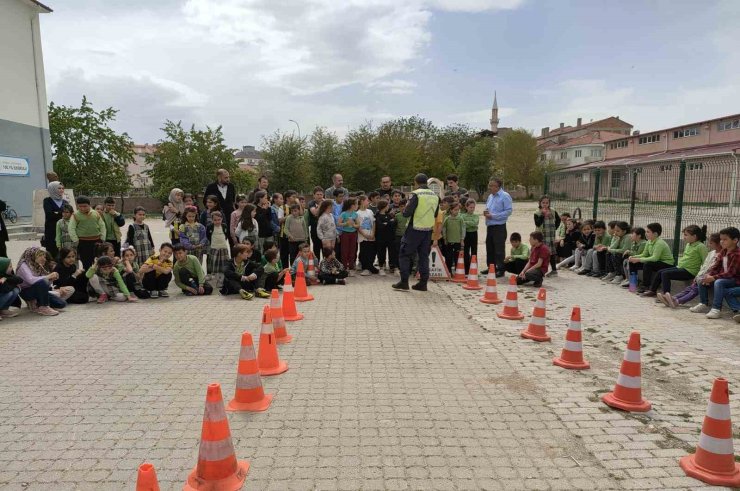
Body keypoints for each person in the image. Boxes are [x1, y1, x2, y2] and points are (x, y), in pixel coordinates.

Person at [393, 173, 440, 292]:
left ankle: (404, 282)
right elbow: (435, 214)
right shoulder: (435, 196)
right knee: (424, 257)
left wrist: (403, 212)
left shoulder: (416, 194)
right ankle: (423, 283)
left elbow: (407, 212)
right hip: (428, 230)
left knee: (405, 254)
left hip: (414, 229)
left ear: (416, 182)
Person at [643, 225, 707, 297]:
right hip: (681, 267)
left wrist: (701, 275)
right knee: (660, 272)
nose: (684, 237)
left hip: (690, 271)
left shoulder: (701, 246)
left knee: (665, 274)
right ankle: (652, 291)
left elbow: (705, 262)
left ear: (694, 236)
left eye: (686, 235)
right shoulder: (689, 245)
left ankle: (666, 295)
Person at [690, 227, 740, 319]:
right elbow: (716, 267)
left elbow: (730, 273)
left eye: (725, 239)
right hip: (724, 278)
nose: (722, 242)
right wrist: (709, 275)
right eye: (721, 239)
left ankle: (716, 309)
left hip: (735, 280)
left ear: (735, 240)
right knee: (702, 278)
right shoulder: (723, 251)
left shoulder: (737, 254)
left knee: (719, 282)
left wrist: (713, 278)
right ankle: (703, 303)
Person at [660, 233, 720, 308]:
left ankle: (678, 301)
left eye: (711, 243)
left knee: (695, 289)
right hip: (703, 276)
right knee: (689, 288)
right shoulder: (711, 253)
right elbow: (705, 266)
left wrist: (706, 277)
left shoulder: (721, 254)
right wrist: (698, 276)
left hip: (711, 277)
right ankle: (673, 298)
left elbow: (715, 269)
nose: (708, 245)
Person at [16, 246, 66, 315]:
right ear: (32, 256)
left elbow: (46, 285)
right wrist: (48, 276)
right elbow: (31, 280)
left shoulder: (37, 265)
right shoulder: (23, 265)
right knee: (43, 281)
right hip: (26, 291)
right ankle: (44, 307)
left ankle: (35, 303)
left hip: (38, 290)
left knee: (62, 304)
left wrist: (51, 279)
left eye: (44, 256)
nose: (43, 259)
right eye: (40, 256)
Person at [628, 223, 674, 293]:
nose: (645, 234)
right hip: (656, 262)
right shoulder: (649, 241)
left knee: (648, 264)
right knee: (632, 262)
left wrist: (638, 259)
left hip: (666, 263)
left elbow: (655, 258)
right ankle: (633, 284)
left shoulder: (660, 243)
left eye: (648, 232)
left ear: (655, 234)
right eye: (646, 231)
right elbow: (644, 254)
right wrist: (633, 257)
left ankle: (646, 286)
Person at [483, 178, 512, 277]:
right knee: (489, 247)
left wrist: (493, 216)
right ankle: (491, 267)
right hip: (490, 226)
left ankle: (501, 269)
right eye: (489, 185)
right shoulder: (490, 196)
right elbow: (489, 208)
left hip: (499, 226)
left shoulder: (505, 196)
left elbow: (508, 211)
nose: (490, 187)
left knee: (499, 249)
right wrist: (486, 212)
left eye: (492, 185)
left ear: (498, 186)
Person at [68, 196, 106, 269]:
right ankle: (87, 278)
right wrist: (75, 240)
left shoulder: (96, 213)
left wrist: (102, 238)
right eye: (80, 206)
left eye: (85, 206)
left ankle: (98, 278)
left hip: (97, 241)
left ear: (89, 205)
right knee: (86, 262)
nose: (82, 208)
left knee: (98, 261)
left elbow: (102, 226)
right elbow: (71, 228)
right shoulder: (75, 215)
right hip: (83, 242)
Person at [533, 195, 561, 277]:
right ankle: (539, 269)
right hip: (541, 235)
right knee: (540, 252)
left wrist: (555, 227)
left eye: (547, 203)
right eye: (543, 203)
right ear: (540, 203)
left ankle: (554, 270)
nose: (545, 204)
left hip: (550, 235)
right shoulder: (537, 212)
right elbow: (537, 223)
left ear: (549, 203)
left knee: (551, 252)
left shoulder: (552, 211)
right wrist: (542, 215)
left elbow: (558, 220)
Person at [42, 181, 70, 259]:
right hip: (51, 230)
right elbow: (49, 214)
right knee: (52, 253)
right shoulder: (47, 200)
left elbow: (69, 214)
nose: (61, 190)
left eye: (62, 188)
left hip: (63, 230)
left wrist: (57, 213)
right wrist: (62, 213)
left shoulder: (65, 202)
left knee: (64, 252)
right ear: (53, 189)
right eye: (59, 188)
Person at [206, 211, 230, 290]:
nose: (217, 222)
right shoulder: (210, 227)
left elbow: (226, 236)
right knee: (215, 266)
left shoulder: (224, 226)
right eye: (215, 220)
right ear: (212, 220)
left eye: (219, 220)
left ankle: (221, 280)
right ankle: (216, 279)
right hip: (214, 248)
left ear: (222, 219)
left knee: (223, 265)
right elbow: (208, 236)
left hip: (223, 248)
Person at [356, 195, 378, 275]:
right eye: (367, 201)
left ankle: (370, 266)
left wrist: (373, 233)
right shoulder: (357, 213)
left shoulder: (370, 211)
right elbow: (358, 227)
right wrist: (365, 235)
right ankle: (365, 268)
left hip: (371, 235)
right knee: (364, 252)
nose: (368, 202)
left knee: (371, 252)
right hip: (363, 237)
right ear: (362, 201)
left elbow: (373, 223)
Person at [442, 201, 465, 273]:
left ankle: (457, 271)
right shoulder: (447, 219)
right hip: (449, 241)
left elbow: (463, 229)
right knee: (448, 257)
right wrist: (445, 238)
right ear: (451, 210)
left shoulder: (460, 219)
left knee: (457, 257)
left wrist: (462, 239)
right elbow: (444, 229)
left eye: (458, 210)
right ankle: (448, 271)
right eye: (455, 210)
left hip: (457, 241)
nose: (457, 211)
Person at [338, 198, 359, 274]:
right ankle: (344, 267)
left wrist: (354, 225)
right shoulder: (344, 213)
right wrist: (346, 224)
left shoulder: (355, 214)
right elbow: (338, 223)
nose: (357, 205)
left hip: (353, 234)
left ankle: (351, 267)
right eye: (356, 204)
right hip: (345, 234)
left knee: (352, 250)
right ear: (352, 205)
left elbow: (358, 225)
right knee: (344, 250)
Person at [375, 200, 396, 276]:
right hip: (380, 238)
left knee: (392, 252)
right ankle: (381, 267)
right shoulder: (377, 216)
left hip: (390, 237)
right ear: (384, 206)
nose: (388, 207)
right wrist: (388, 223)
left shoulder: (389, 215)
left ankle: (392, 267)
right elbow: (380, 226)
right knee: (381, 253)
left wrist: (387, 223)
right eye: (387, 205)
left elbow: (393, 223)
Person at [460, 198, 479, 274]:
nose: (472, 209)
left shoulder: (476, 216)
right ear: (466, 207)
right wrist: (470, 223)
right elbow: (462, 224)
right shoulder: (462, 215)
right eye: (470, 207)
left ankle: (474, 268)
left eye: (473, 207)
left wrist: (466, 223)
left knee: (474, 251)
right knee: (466, 251)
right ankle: (466, 269)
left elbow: (475, 223)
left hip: (474, 234)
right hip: (466, 234)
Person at [306, 187, 325, 260]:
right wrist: (321, 204)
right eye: (318, 194)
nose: (320, 196)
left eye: (321, 194)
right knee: (316, 248)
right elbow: (315, 213)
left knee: (325, 249)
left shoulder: (325, 202)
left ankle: (325, 266)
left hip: (324, 230)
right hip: (315, 229)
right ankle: (316, 266)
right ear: (314, 195)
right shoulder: (311, 203)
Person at [392, 199, 409, 276]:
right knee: (397, 252)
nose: (403, 208)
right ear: (399, 208)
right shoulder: (397, 216)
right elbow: (394, 227)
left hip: (408, 237)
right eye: (401, 206)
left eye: (405, 206)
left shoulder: (410, 215)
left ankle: (407, 268)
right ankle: (396, 267)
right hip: (398, 236)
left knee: (407, 253)